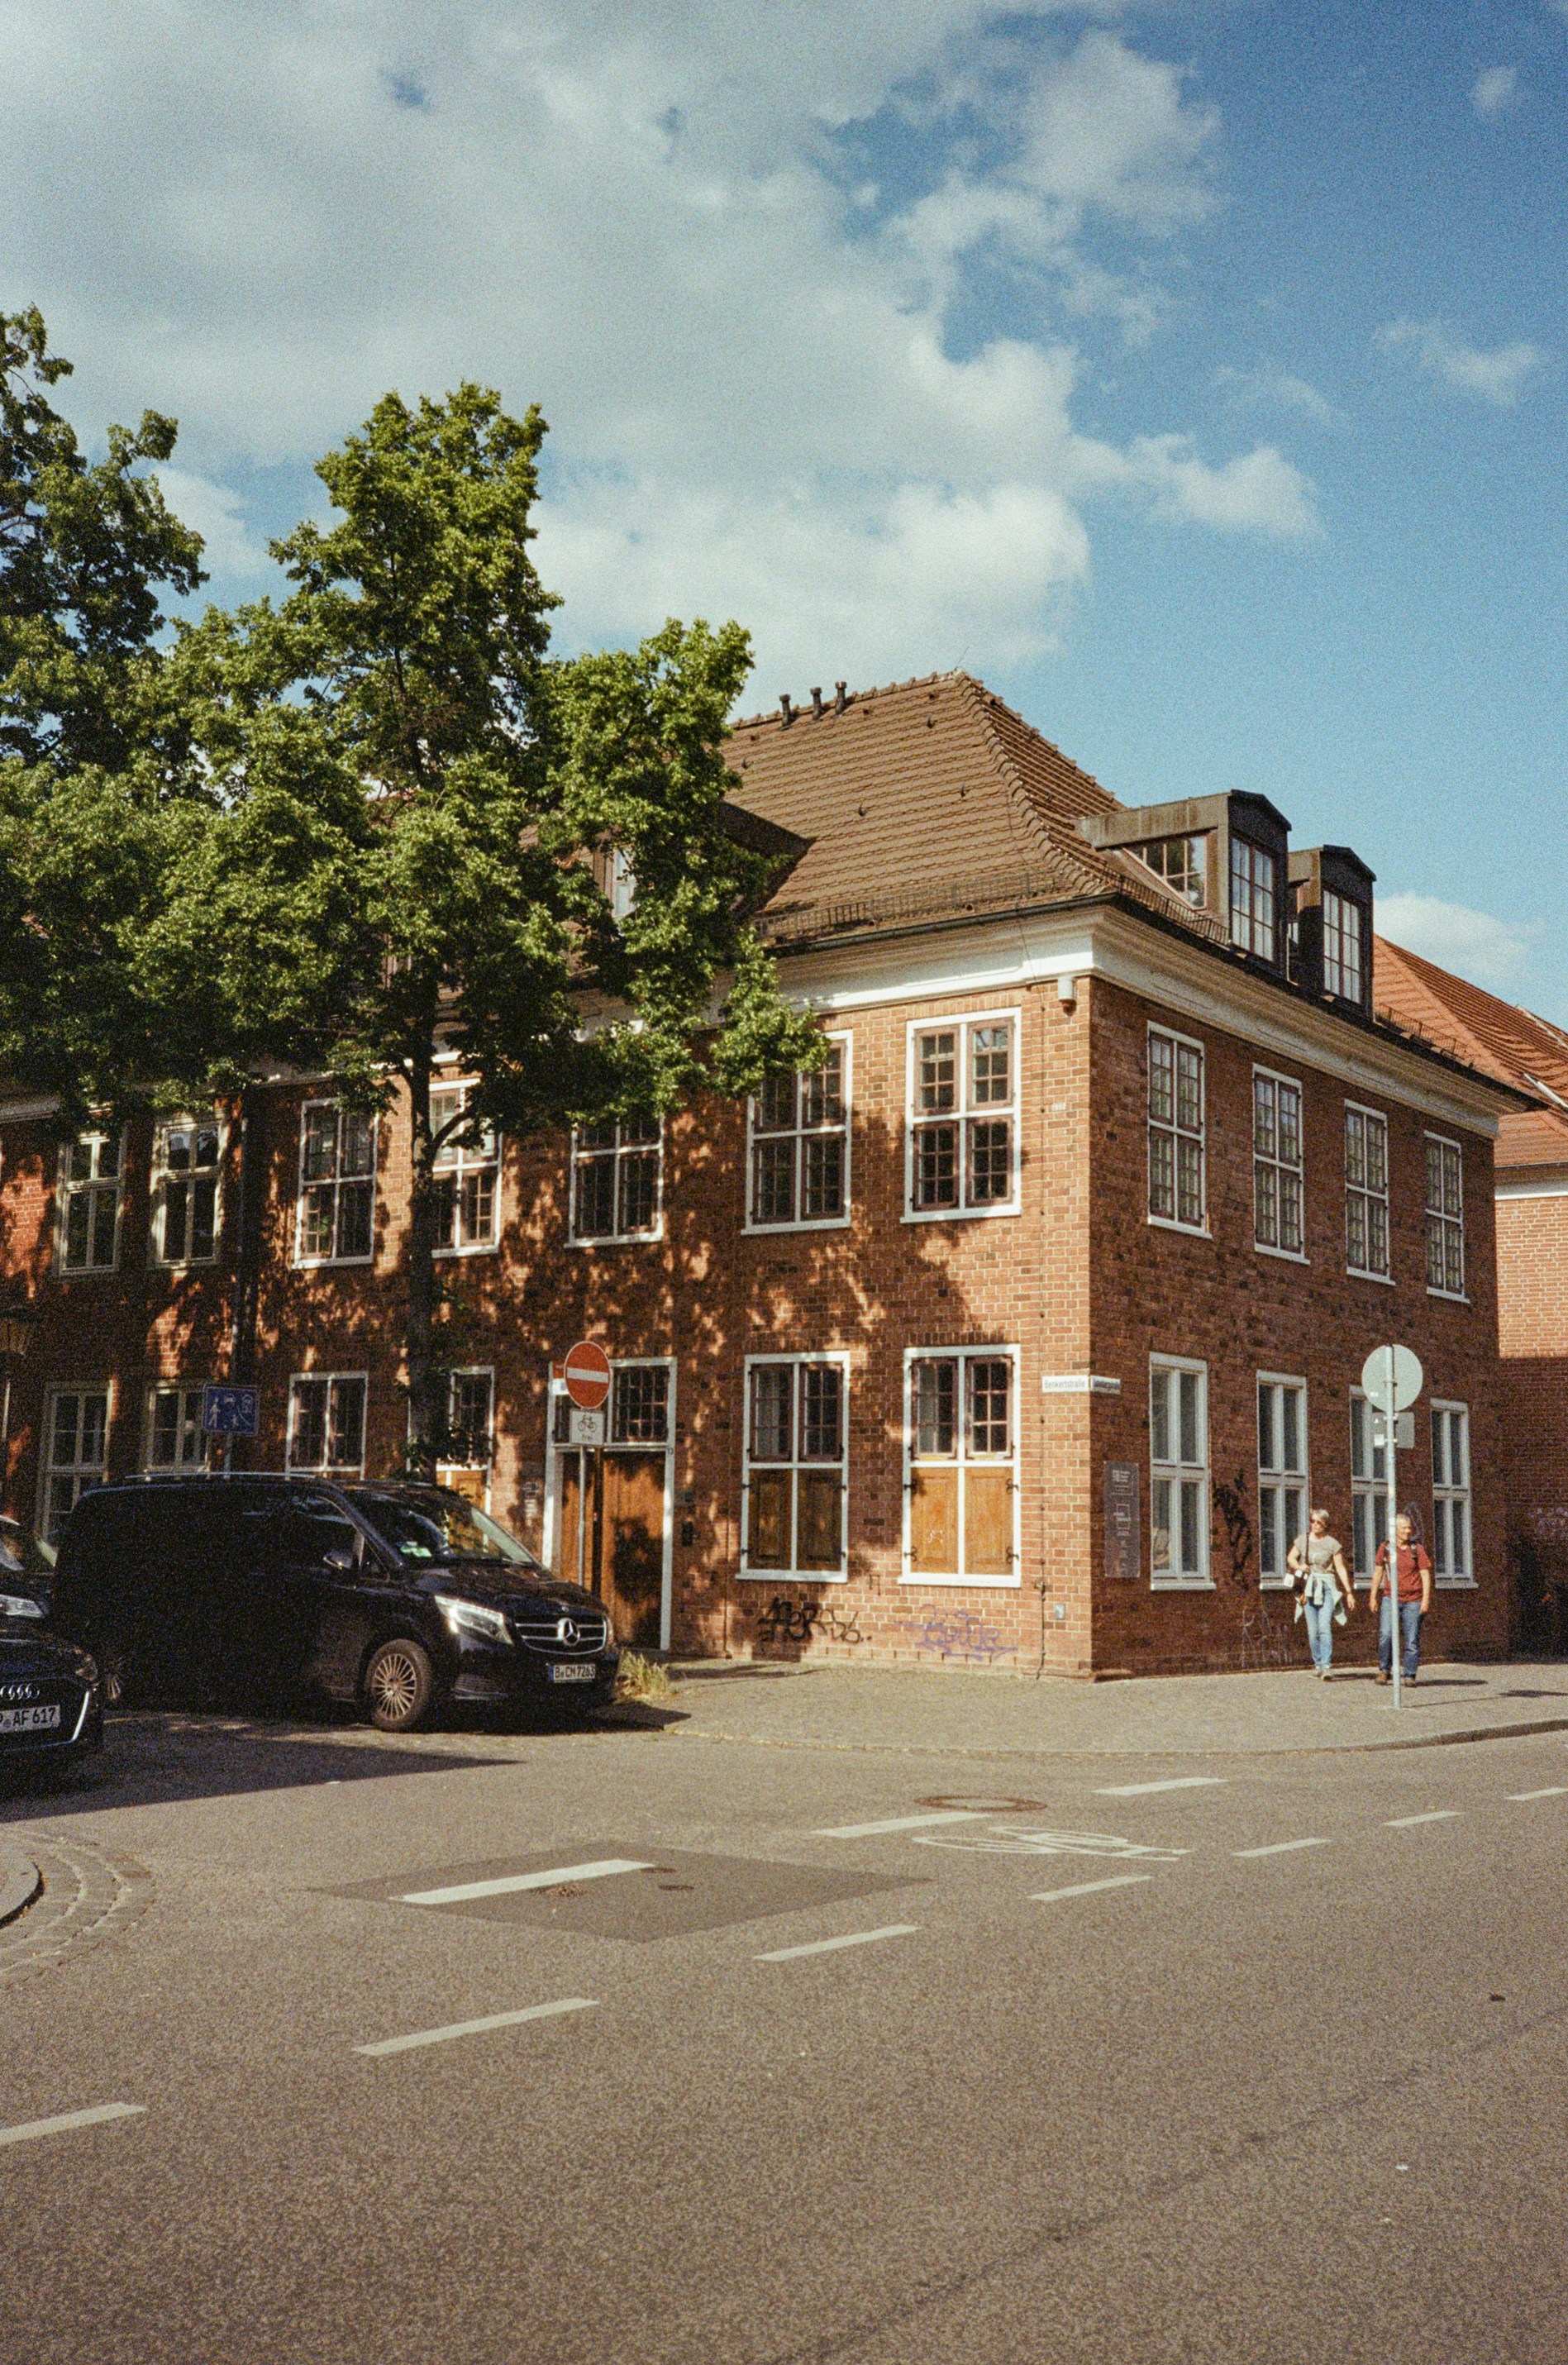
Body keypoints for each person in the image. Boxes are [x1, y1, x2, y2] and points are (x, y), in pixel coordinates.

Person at [1286, 1508, 1355, 1679]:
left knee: (1324, 1627)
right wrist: (1299, 1566)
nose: (1315, 1525)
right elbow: (1291, 1558)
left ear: (1325, 1524)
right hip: (1308, 1588)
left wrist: (1348, 1591)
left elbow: (1340, 1567)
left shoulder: (1332, 1544)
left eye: (1319, 1522)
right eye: (1313, 1521)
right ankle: (1317, 1663)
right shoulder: (1303, 1540)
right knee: (1313, 1630)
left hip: (1327, 1587)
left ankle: (1326, 1666)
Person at [1370, 1511, 1433, 1685]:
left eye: (1409, 1528)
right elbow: (1378, 1572)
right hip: (1391, 1598)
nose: (1407, 1531)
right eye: (1404, 1528)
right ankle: (1384, 1669)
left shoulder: (1417, 1549)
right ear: (1395, 1530)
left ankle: (1410, 1674)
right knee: (1386, 1635)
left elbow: (1425, 1574)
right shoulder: (1386, 1548)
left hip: (1414, 1600)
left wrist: (1425, 1599)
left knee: (1411, 1639)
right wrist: (1373, 1596)